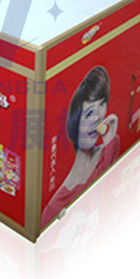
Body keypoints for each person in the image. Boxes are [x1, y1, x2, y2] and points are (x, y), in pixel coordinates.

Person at [41, 66, 120, 228]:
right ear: (75, 125)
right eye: (89, 113)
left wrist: (109, 143)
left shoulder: (110, 147)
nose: (98, 118)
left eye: (102, 105)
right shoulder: (55, 205)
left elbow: (111, 202)